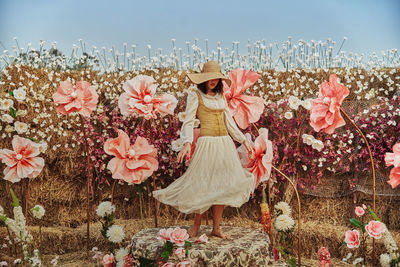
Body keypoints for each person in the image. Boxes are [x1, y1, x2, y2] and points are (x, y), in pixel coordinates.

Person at [153, 61, 255, 239]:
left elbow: (229, 122)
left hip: (224, 143)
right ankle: (196, 225)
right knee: (203, 184)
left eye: (216, 78)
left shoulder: (221, 96)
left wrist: (243, 140)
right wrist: (186, 142)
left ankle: (216, 228)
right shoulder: (195, 95)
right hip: (207, 143)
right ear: (204, 79)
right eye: (210, 78)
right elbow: (189, 120)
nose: (213, 81)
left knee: (222, 184)